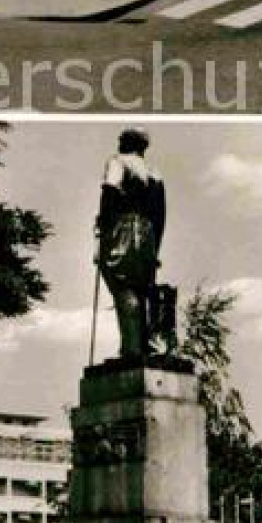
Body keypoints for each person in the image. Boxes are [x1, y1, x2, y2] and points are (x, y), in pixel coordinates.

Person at [95, 127, 166, 362]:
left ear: (128, 142)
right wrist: (155, 247)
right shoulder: (154, 172)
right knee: (143, 288)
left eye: (122, 139)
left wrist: (102, 230)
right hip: (148, 234)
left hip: (122, 229)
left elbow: (110, 195)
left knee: (122, 286)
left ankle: (131, 350)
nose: (119, 142)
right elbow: (160, 214)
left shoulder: (117, 162)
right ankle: (145, 346)